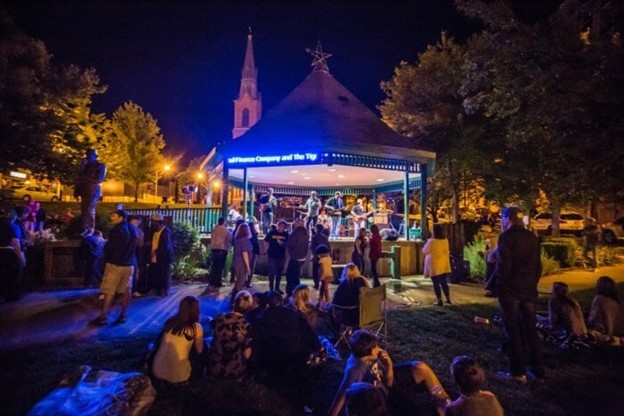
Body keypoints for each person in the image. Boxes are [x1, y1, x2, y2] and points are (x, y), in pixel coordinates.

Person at [328, 329, 451, 416]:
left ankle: (445, 404)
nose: (379, 348)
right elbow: (342, 395)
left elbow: (390, 383)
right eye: (375, 347)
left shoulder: (369, 355)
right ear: (368, 352)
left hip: (387, 383)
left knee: (421, 368)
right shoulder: (355, 370)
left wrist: (389, 365)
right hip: (380, 397)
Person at [494, 206, 544, 383]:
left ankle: (517, 372)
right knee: (530, 329)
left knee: (513, 329)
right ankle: (537, 370)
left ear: (507, 219)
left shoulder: (506, 237)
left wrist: (501, 285)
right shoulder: (532, 237)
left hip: (511, 290)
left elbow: (504, 265)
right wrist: (531, 283)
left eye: (502, 218)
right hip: (528, 289)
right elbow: (538, 266)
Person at [90, 209, 138, 325]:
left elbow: (109, 248)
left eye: (114, 216)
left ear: (121, 218)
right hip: (129, 264)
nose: (111, 218)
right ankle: (123, 315)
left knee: (109, 291)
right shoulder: (132, 229)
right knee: (126, 291)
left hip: (115, 264)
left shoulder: (117, 230)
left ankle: (103, 317)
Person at [151, 296, 205, 387]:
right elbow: (199, 351)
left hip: (156, 370)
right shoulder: (196, 328)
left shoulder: (170, 322)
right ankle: (200, 375)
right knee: (203, 347)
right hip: (179, 376)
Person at [207, 291, 253, 380]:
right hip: (234, 369)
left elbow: (210, 327)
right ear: (248, 307)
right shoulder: (246, 325)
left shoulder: (220, 317)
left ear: (234, 303)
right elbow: (247, 354)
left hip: (214, 365)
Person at [74, 148, 106, 237]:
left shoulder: (101, 166)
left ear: (95, 156)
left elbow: (99, 179)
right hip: (84, 191)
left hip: (93, 191)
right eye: (87, 155)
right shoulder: (85, 167)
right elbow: (79, 179)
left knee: (89, 210)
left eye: (90, 155)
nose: (88, 157)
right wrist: (76, 192)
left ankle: (90, 229)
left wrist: (85, 178)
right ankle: (85, 229)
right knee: (84, 210)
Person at [422, 224, 452, 306]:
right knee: (444, 282)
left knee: (435, 282)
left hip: (433, 264)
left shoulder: (431, 241)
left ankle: (439, 300)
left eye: (432, 229)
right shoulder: (445, 240)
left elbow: (425, 251)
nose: (431, 230)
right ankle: (448, 298)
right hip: (443, 263)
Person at [0, 209, 26, 302]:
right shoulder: (14, 227)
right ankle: (12, 296)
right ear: (14, 217)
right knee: (13, 276)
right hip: (9, 253)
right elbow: (15, 243)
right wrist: (20, 257)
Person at [147, 213, 174, 297]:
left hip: (162, 258)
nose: (152, 223)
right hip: (154, 257)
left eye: (154, 221)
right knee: (156, 274)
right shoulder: (154, 232)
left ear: (159, 222)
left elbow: (165, 246)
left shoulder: (165, 232)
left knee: (163, 274)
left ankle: (163, 290)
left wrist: (156, 251)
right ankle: (157, 290)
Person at [285, 217, 309, 297]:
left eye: (295, 223)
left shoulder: (295, 233)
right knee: (296, 275)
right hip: (302, 257)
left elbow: (290, 244)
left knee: (291, 276)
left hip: (295, 257)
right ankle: (298, 292)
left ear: (298, 223)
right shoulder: (306, 233)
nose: (294, 224)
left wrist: (282, 244)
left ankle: (290, 293)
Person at [264, 220, 288, 293]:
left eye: (283, 226)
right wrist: (264, 250)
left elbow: (288, 245)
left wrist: (282, 243)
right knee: (271, 272)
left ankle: (277, 288)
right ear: (278, 226)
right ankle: (271, 288)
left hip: (281, 256)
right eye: (280, 226)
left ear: (284, 228)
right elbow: (266, 241)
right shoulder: (272, 233)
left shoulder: (286, 234)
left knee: (279, 273)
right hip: (272, 255)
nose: (281, 227)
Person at [231, 222, 253, 303]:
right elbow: (245, 254)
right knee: (241, 282)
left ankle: (233, 299)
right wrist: (248, 267)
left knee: (238, 282)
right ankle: (237, 301)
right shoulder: (244, 240)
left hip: (237, 262)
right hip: (241, 263)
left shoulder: (237, 239)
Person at [208, 217, 232, 288]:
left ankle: (212, 282)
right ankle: (218, 282)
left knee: (214, 266)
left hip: (213, 249)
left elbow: (211, 238)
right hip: (221, 249)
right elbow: (230, 238)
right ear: (224, 222)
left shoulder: (214, 229)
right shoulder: (225, 230)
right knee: (220, 267)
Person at [128, 216, 146, 297]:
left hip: (127, 255)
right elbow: (140, 244)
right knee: (134, 273)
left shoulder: (124, 229)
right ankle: (133, 291)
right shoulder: (139, 232)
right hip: (133, 254)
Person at [311, 222, 331, 290]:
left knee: (315, 270)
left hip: (317, 256)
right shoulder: (325, 237)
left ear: (316, 229)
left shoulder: (314, 237)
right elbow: (328, 247)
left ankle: (316, 284)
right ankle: (323, 284)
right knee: (323, 270)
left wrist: (314, 255)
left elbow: (313, 247)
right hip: (324, 256)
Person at [316, 244, 333, 309]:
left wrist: (319, 276)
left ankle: (324, 302)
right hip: (329, 275)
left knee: (323, 289)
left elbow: (321, 269)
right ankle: (325, 301)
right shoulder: (329, 259)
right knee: (324, 289)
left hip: (324, 276)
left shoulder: (322, 260)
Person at [246, 219, 260, 288]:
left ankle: (244, 281)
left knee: (246, 267)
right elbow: (256, 244)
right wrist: (258, 252)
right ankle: (248, 282)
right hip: (253, 252)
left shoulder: (246, 234)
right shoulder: (254, 234)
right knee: (251, 268)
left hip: (246, 252)